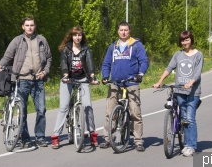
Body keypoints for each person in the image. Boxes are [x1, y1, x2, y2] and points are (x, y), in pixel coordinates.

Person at [0, 17, 52, 148]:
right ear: (23, 27)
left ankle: (40, 137)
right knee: (22, 111)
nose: (29, 27)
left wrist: (45, 72)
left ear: (35, 26)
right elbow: (8, 56)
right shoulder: (17, 40)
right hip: (21, 80)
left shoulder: (42, 40)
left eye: (32, 25)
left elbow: (49, 58)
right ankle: (25, 138)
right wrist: (0, 65)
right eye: (27, 25)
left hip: (38, 80)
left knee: (41, 110)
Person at [153, 30, 203, 157]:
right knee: (184, 117)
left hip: (193, 92)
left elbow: (197, 73)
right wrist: (159, 81)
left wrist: (191, 83)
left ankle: (191, 146)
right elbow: (169, 68)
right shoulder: (177, 55)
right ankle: (186, 142)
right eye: (182, 40)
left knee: (190, 118)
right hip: (180, 91)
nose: (185, 42)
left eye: (187, 39)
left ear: (191, 40)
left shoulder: (198, 55)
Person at [100, 21, 149, 152]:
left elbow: (144, 61)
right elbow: (106, 63)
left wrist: (140, 73)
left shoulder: (136, 45)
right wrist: (105, 76)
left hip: (132, 83)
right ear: (118, 31)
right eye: (121, 30)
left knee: (135, 112)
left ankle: (138, 141)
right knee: (110, 112)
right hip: (115, 83)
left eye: (126, 30)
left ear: (129, 31)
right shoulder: (113, 46)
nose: (123, 32)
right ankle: (107, 139)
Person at [51, 26, 99, 149]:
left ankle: (93, 134)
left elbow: (89, 63)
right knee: (64, 106)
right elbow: (63, 64)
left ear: (82, 36)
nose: (77, 37)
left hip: (83, 79)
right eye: (75, 35)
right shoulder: (66, 49)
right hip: (68, 79)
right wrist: (65, 75)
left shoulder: (86, 48)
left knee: (88, 106)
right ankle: (56, 136)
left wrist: (92, 76)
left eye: (80, 35)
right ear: (71, 36)